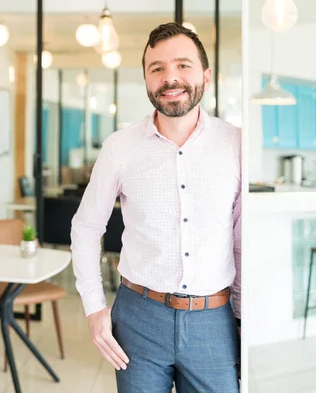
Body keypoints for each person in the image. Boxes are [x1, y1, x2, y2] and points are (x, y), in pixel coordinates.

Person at [70, 22, 241, 392]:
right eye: (157, 68)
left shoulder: (237, 145)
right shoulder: (120, 147)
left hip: (214, 319)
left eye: (183, 65)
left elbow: (241, 239)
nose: (170, 78)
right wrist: (94, 308)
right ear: (147, 81)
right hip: (137, 318)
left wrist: (243, 318)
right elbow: (86, 227)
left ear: (206, 77)